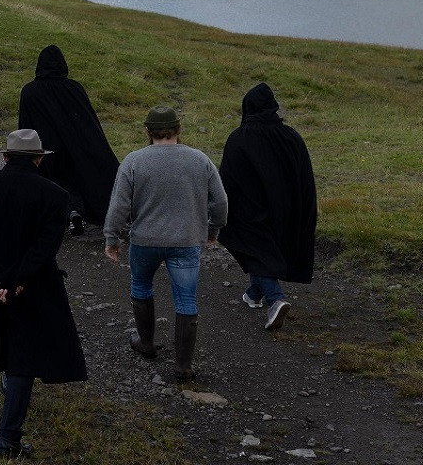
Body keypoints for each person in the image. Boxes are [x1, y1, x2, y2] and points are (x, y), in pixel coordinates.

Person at [0, 129, 88, 459]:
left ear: (5, 156)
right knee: (23, 354)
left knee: (4, 337)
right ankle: (7, 438)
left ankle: (9, 400)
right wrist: (15, 280)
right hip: (33, 283)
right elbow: (45, 247)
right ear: (39, 158)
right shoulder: (54, 194)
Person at [103, 106, 227, 382]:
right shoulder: (200, 159)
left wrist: (112, 238)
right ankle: (183, 365)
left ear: (147, 131)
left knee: (141, 285)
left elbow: (119, 204)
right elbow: (220, 201)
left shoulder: (134, 161)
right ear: (178, 129)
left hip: (145, 240)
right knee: (185, 298)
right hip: (186, 241)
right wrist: (213, 229)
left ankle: (146, 343)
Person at [217, 83, 318, 332]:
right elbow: (304, 175)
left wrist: (220, 213)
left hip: (249, 212)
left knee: (252, 248)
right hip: (286, 209)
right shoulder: (291, 136)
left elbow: (227, 179)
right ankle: (254, 293)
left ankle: (275, 299)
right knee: (262, 252)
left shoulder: (239, 138)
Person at [17, 45, 120, 235]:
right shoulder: (74, 88)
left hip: (45, 148)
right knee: (81, 179)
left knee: (51, 182)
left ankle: (68, 213)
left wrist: (24, 152)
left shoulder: (30, 91)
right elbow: (89, 121)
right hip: (76, 146)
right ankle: (94, 213)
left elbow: (25, 124)